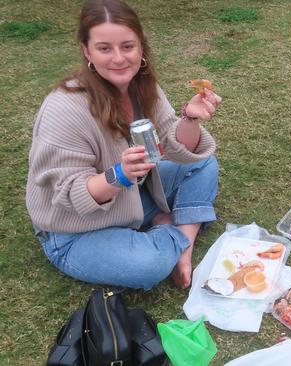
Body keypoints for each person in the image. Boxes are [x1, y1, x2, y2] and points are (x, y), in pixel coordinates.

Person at [26, 0, 222, 290]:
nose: (118, 58)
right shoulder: (64, 107)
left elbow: (177, 146)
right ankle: (166, 229)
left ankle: (182, 245)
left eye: (127, 46)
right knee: (149, 265)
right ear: (87, 51)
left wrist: (190, 119)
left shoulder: (143, 87)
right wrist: (120, 174)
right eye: (105, 48)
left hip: (130, 197)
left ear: (141, 47)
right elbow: (67, 193)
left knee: (202, 162)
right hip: (74, 228)